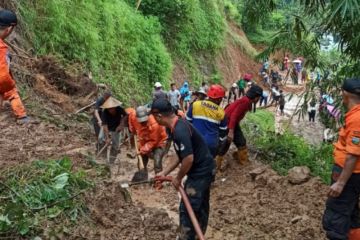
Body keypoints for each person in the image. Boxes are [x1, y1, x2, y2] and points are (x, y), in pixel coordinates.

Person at [151, 98, 215, 240]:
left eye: (154, 117)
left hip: (200, 172)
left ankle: (187, 237)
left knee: (187, 208)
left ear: (159, 116)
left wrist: (178, 178)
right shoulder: (176, 126)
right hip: (206, 168)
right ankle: (199, 234)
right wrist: (165, 173)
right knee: (201, 204)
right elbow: (181, 155)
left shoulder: (179, 130)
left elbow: (188, 159)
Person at [323, 78, 360, 240]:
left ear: (345, 94)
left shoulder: (357, 118)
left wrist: (341, 183)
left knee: (336, 215)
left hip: (349, 175)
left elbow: (353, 154)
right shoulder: (354, 115)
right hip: (351, 174)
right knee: (351, 213)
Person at [216, 85, 263, 167]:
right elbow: (234, 115)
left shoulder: (246, 100)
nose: (259, 100)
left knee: (241, 142)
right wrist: (231, 131)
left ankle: (238, 158)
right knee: (227, 143)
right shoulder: (246, 102)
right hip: (228, 122)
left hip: (230, 122)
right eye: (259, 98)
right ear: (256, 97)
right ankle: (217, 165)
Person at [0, 10, 29, 124]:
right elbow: (2, 77)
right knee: (9, 89)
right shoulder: (1, 49)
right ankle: (22, 117)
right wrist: (10, 86)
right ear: (9, 29)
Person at [186, 84, 227, 158]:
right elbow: (223, 133)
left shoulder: (195, 105)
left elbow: (187, 122)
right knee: (207, 166)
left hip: (195, 142)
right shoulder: (221, 113)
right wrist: (219, 145)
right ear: (218, 99)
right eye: (221, 98)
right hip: (211, 145)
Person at [128, 106, 167, 174]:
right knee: (141, 162)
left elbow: (154, 141)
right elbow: (132, 123)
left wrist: (142, 149)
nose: (143, 123)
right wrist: (133, 130)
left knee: (157, 160)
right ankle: (143, 176)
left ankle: (159, 179)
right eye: (141, 121)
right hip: (144, 141)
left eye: (144, 121)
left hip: (159, 142)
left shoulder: (155, 124)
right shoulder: (133, 116)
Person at [99, 97, 127, 164]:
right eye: (109, 109)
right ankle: (103, 158)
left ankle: (112, 161)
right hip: (107, 127)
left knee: (116, 145)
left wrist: (121, 124)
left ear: (115, 107)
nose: (110, 110)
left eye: (112, 108)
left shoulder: (119, 109)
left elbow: (125, 115)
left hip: (116, 128)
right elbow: (105, 126)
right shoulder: (104, 112)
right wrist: (107, 138)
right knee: (101, 139)